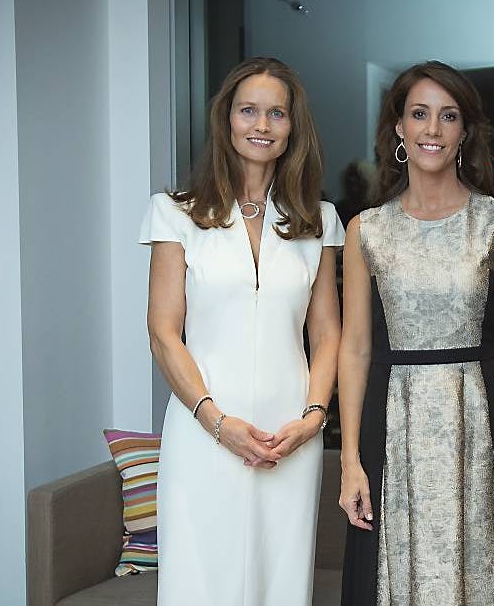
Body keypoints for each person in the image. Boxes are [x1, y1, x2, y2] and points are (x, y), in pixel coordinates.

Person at [140, 56, 344, 606]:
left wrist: (314, 418)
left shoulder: (319, 221)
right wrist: (216, 422)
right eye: (248, 110)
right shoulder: (175, 214)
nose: (261, 124)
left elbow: (328, 335)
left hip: (290, 437)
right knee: (200, 585)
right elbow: (164, 332)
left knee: (281, 585)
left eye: (276, 113)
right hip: (204, 432)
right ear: (225, 120)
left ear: (293, 126)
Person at [337, 61, 494, 606]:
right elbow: (354, 348)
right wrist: (350, 461)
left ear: (465, 131)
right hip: (391, 424)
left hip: (477, 422)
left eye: (448, 116)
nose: (432, 130)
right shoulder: (365, 231)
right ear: (398, 127)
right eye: (419, 114)